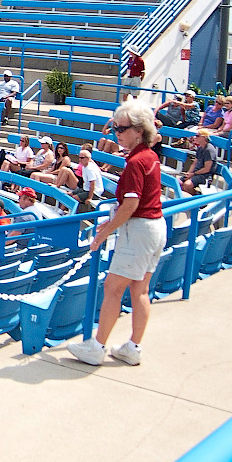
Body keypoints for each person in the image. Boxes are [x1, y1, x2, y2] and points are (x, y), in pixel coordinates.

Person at [67, 100, 165, 367]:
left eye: (122, 129)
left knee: (113, 288)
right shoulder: (150, 156)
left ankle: (97, 347)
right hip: (155, 227)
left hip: (140, 230)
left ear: (138, 130)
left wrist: (103, 233)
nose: (117, 134)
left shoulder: (136, 161)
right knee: (139, 290)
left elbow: (131, 204)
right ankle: (133, 347)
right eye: (116, 129)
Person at [180, 129, 217, 195]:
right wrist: (189, 173)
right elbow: (194, 163)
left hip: (205, 176)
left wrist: (193, 174)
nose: (195, 137)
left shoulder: (209, 150)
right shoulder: (200, 148)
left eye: (197, 136)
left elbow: (207, 169)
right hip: (196, 173)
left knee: (187, 185)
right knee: (178, 182)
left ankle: (198, 198)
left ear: (204, 137)